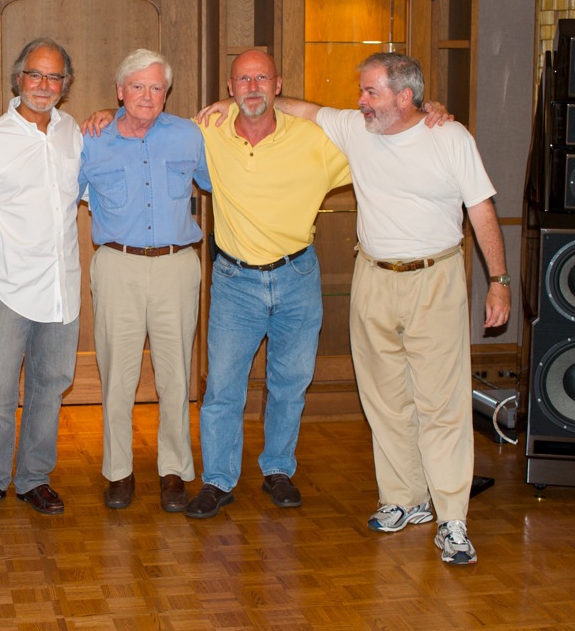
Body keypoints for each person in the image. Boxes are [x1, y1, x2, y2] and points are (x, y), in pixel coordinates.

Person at [212, 52, 509, 564]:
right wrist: (234, 97)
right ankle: (403, 499)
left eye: (370, 92)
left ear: (405, 97)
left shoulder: (449, 137)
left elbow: (480, 209)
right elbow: (300, 107)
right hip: (373, 277)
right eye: (362, 92)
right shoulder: (358, 128)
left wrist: (499, 281)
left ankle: (453, 519)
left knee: (441, 402)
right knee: (385, 398)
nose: (360, 100)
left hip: (434, 279)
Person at [183, 49, 352, 520]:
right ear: (230, 87)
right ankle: (218, 479)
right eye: (243, 80)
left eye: (262, 78)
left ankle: (278, 468)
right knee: (222, 388)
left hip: (297, 276)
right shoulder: (208, 132)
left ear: (279, 85)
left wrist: (428, 115)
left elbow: (376, 137)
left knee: (290, 383)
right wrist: (103, 116)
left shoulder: (314, 140)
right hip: (235, 281)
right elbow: (148, 129)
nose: (253, 87)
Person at [0, 38, 83, 515]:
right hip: (6, 285)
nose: (43, 85)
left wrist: (108, 122)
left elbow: (90, 189)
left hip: (60, 288)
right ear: (18, 79)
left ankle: (33, 478)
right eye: (35, 75)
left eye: (54, 77)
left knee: (50, 387)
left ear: (65, 85)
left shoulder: (74, 133)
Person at [79, 49, 210, 512]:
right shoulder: (91, 139)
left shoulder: (189, 136)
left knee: (176, 374)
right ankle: (118, 472)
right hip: (118, 266)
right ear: (120, 91)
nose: (147, 96)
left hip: (178, 265)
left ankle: (173, 471)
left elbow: (226, 182)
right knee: (118, 374)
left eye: (156, 87)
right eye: (137, 86)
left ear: (166, 92)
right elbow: (54, 193)